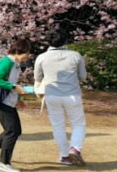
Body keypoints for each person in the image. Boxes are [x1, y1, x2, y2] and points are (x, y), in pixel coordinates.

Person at [34, 31, 87, 167]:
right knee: (78, 124)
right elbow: (83, 76)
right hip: (72, 94)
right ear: (65, 41)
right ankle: (75, 147)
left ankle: (64, 156)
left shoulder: (42, 57)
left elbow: (37, 78)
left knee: (58, 126)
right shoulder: (76, 55)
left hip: (52, 95)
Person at [0, 39, 32, 172]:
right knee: (13, 131)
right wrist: (14, 87)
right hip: (2, 102)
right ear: (19, 51)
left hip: (8, 101)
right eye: (27, 53)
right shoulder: (6, 61)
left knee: (14, 130)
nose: (28, 56)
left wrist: (18, 98)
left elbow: (11, 83)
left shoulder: (15, 64)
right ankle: (4, 162)